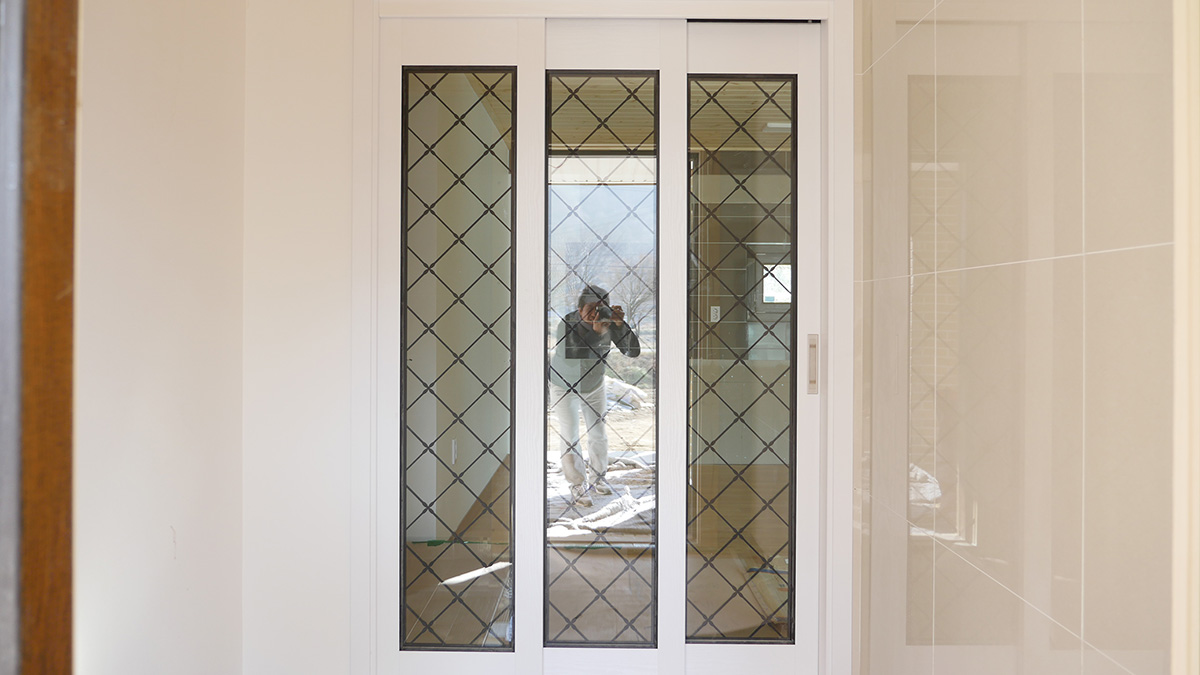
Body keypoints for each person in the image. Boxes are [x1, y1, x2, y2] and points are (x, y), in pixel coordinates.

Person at [549, 284, 640, 507]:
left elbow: (632, 351)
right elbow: (574, 356)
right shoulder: (566, 324)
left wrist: (620, 325)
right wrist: (597, 333)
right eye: (590, 308)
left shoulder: (606, 321)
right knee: (570, 434)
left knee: (598, 432)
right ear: (579, 309)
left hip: (594, 383)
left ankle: (598, 477)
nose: (594, 314)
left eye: (600, 308)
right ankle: (577, 483)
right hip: (564, 384)